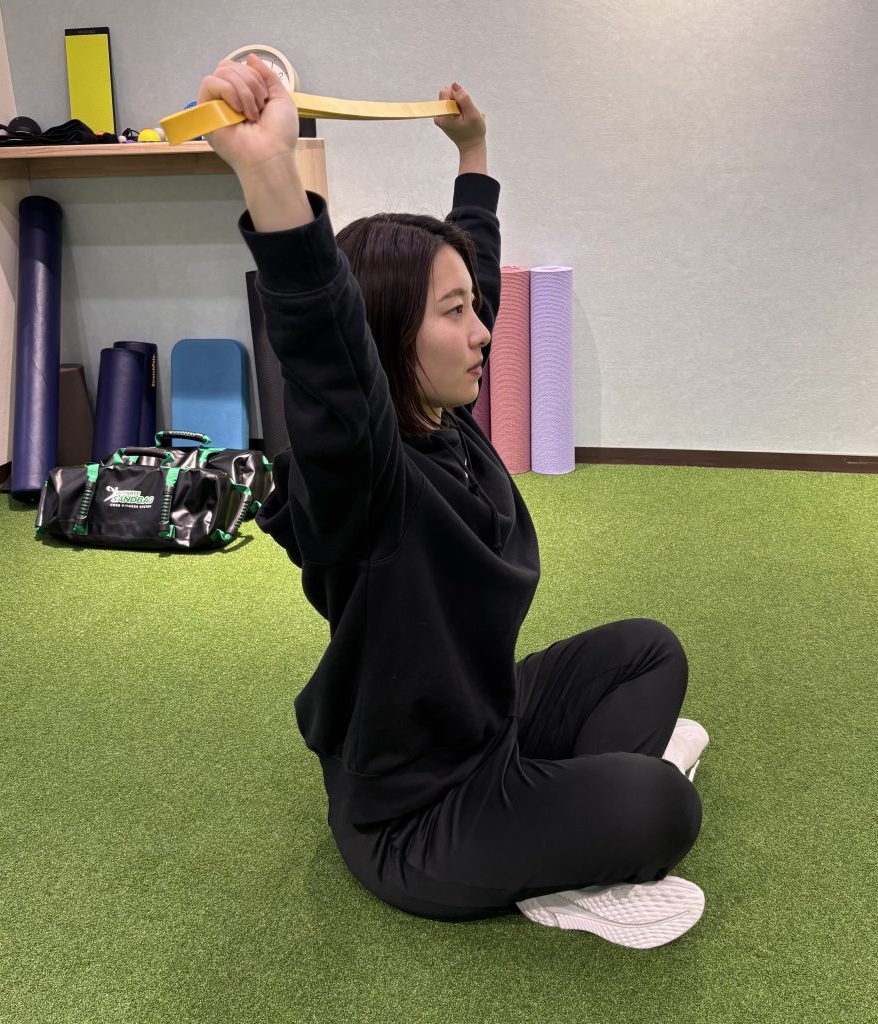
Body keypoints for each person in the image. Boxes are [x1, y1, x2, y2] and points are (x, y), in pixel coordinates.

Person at [198, 56, 710, 949]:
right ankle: (555, 862)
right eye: (455, 313)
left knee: (648, 651)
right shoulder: (366, 481)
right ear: (388, 337)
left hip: (486, 721)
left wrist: (473, 152)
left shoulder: (446, 420)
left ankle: (560, 816)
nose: (482, 333)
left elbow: (475, 268)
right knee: (663, 807)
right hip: (416, 816)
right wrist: (269, 170)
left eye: (475, 308)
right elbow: (324, 349)